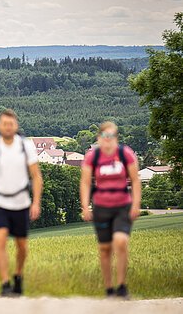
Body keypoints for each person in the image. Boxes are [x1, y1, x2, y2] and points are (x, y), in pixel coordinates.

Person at [0, 109, 43, 297]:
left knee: (22, 246)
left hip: (21, 202)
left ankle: (18, 276)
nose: (8, 127)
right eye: (4, 124)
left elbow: (36, 176)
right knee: (1, 240)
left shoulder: (25, 146)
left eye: (11, 124)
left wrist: (36, 202)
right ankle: (5, 284)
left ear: (16, 126)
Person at [80, 121, 141, 299]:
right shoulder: (93, 157)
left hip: (122, 205)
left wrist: (136, 204)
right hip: (101, 206)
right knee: (105, 248)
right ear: (99, 138)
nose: (109, 140)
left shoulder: (125, 154)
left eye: (112, 136)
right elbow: (85, 182)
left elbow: (135, 180)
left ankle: (121, 286)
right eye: (105, 136)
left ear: (116, 138)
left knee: (121, 242)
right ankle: (109, 289)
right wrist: (85, 205)